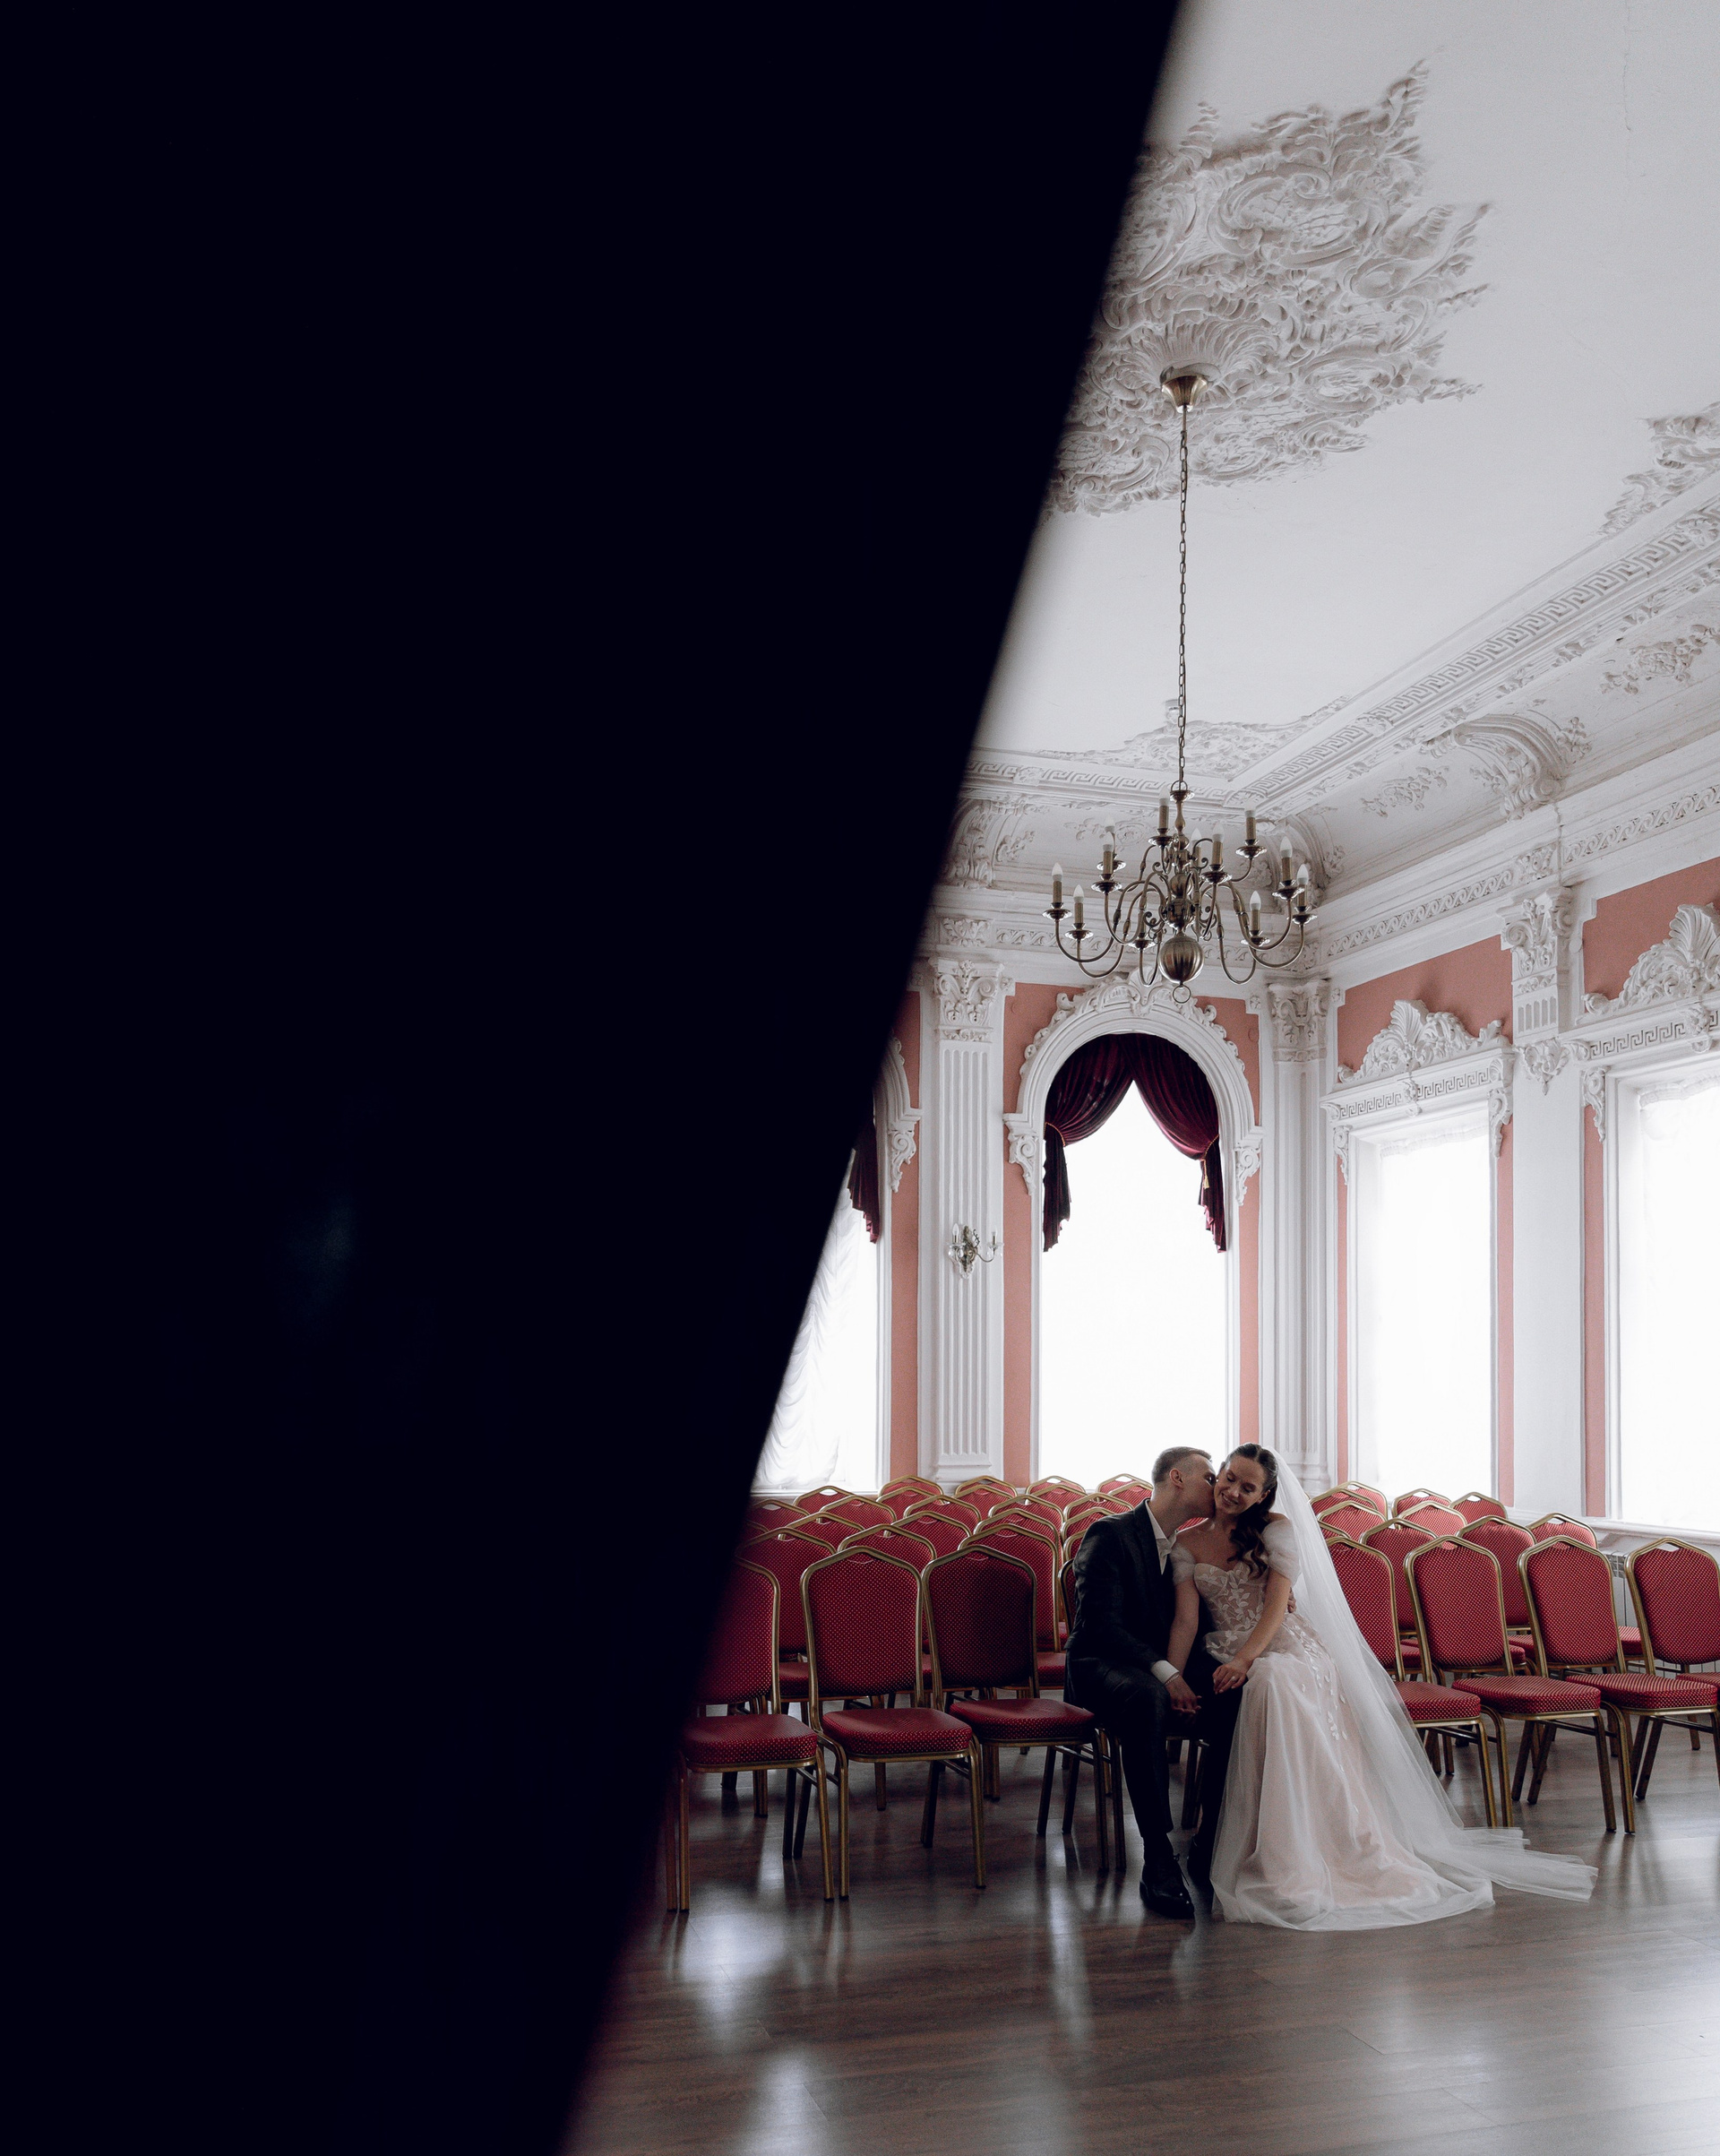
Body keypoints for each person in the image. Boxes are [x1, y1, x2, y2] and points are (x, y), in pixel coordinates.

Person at [1167, 1444, 1596, 1929]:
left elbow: (1275, 1607)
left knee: (1274, 1678)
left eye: (1248, 1487)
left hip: (1285, 1646)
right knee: (1268, 1681)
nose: (1233, 1492)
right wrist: (1173, 1679)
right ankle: (1249, 1841)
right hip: (1227, 1645)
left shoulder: (1276, 1531)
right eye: (1229, 1479)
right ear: (1219, 1475)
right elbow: (1186, 1621)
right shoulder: (1187, 1544)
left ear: (1264, 1495)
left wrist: (1247, 1659)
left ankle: (1305, 1849)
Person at [1063, 1445, 1242, 1919]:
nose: (1218, 1487)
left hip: (1162, 1663)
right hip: (1101, 1663)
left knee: (1236, 1692)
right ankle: (1158, 1855)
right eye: (1210, 1477)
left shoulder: (1188, 1545)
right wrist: (1167, 1673)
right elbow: (1102, 1626)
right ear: (1177, 1478)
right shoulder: (1110, 1534)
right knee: (1147, 1698)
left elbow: (1197, 1621)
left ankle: (1209, 1839)